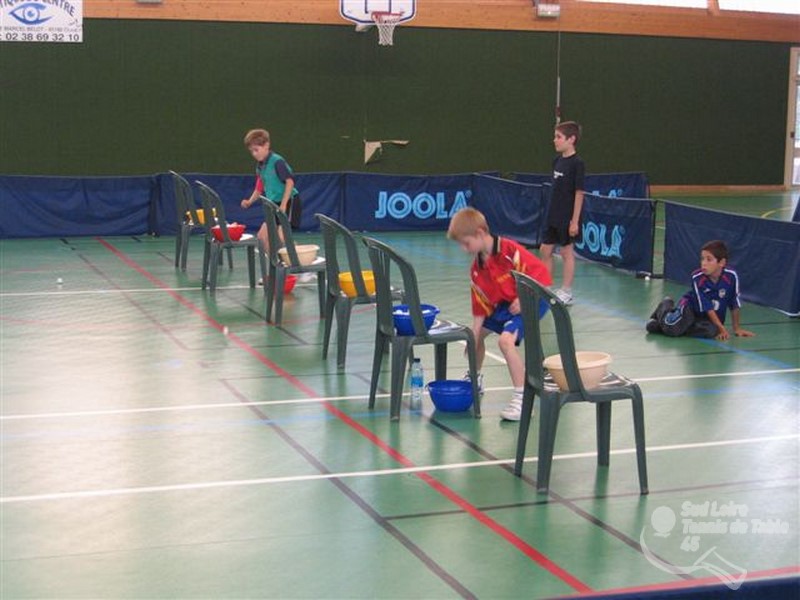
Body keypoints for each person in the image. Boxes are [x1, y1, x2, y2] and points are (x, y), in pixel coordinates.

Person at [447, 207, 553, 421]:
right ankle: (474, 378)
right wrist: (474, 336)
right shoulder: (477, 269)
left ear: (479, 233)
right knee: (476, 336)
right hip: (506, 305)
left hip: (533, 300)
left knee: (505, 342)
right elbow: (480, 309)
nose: (464, 249)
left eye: (466, 243)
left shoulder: (510, 251)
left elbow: (542, 276)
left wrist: (524, 298)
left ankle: (523, 399)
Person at [646, 240, 756, 341]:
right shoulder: (697, 278)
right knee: (673, 330)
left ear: (721, 262)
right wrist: (722, 329)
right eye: (702, 259)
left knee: (711, 331)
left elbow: (734, 303)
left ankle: (659, 326)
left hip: (706, 318)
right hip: (690, 309)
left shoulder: (732, 276)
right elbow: (707, 307)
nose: (704, 263)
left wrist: (736, 328)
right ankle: (665, 306)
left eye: (709, 259)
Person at [539, 121, 585, 305]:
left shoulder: (577, 164)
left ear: (571, 139)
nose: (554, 140)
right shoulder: (557, 161)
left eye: (558, 137)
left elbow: (579, 193)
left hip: (567, 217)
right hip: (552, 214)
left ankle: (566, 291)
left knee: (566, 252)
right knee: (545, 250)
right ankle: (546, 287)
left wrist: (574, 221)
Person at [240, 128, 302, 254]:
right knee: (262, 238)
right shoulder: (260, 166)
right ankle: (276, 265)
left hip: (290, 202)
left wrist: (284, 204)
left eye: (256, 150)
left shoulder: (277, 162)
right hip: (274, 205)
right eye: (251, 151)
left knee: (282, 237)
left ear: (266, 145)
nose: (254, 154)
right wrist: (249, 201)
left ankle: (299, 262)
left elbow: (290, 182)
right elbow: (259, 188)